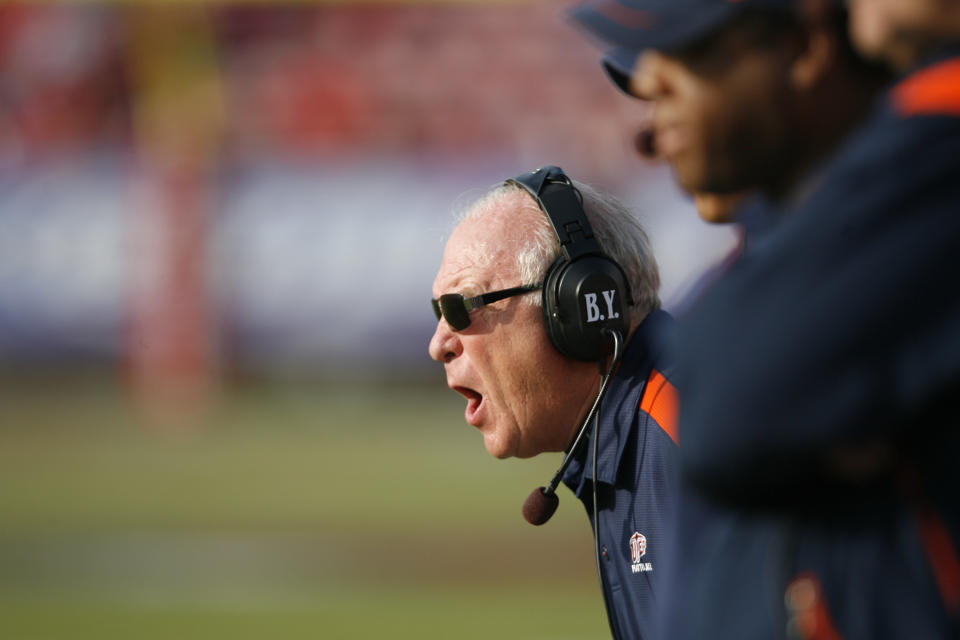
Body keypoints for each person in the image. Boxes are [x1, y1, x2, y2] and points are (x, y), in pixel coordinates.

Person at [577, 0, 960, 637]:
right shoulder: (755, 270)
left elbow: (735, 394)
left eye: (691, 56)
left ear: (807, 49)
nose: (651, 105)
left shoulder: (934, 150)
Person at [428, 165, 678, 639]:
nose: (438, 343)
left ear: (581, 306)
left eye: (461, 309)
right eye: (439, 313)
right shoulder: (630, 433)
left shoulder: (689, 436)